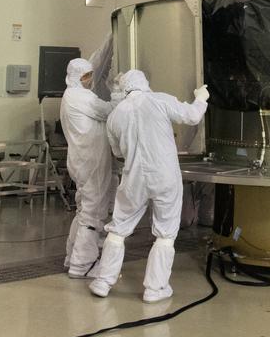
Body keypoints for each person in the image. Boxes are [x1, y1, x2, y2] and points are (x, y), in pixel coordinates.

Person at [89, 70, 209, 303]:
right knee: (165, 232)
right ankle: (155, 288)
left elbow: (118, 152)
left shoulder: (115, 116)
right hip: (165, 177)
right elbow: (192, 117)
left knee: (118, 229)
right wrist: (200, 98)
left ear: (124, 88)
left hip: (134, 178)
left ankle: (103, 281)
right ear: (145, 83)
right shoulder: (159, 100)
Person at [58, 58, 117, 277]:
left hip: (81, 160)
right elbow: (109, 110)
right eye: (90, 75)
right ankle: (83, 264)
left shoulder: (69, 95)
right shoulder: (81, 96)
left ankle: (71, 256)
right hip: (91, 161)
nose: (92, 79)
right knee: (93, 212)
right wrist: (119, 91)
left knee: (84, 211)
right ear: (83, 76)